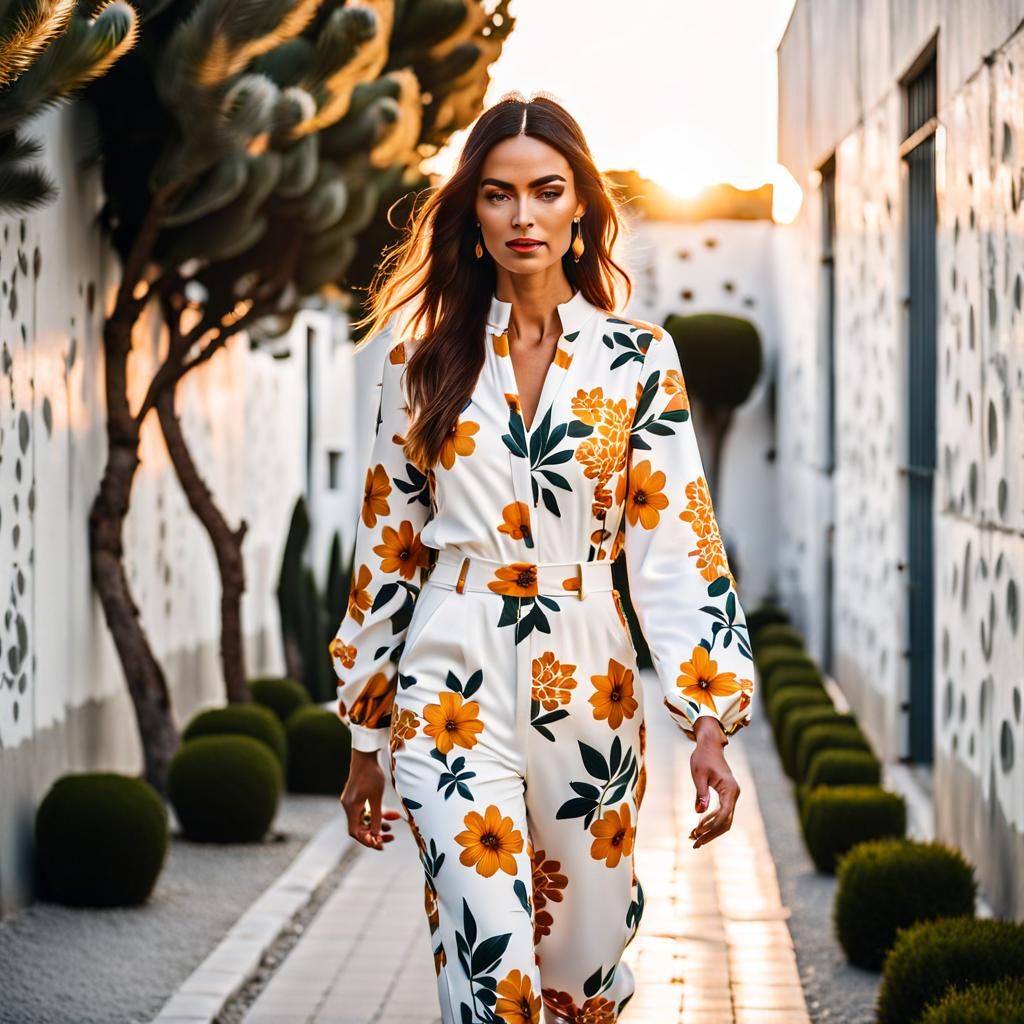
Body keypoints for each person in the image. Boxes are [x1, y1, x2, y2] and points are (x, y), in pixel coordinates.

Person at [328, 91, 755, 1024]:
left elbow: (677, 542)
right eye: (497, 194)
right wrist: (365, 736)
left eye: (546, 191)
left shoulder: (641, 361)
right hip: (450, 683)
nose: (522, 215)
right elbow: (389, 548)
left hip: (590, 679)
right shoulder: (421, 365)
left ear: (580, 211)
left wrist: (710, 720)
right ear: (472, 216)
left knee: (582, 971)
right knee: (492, 974)